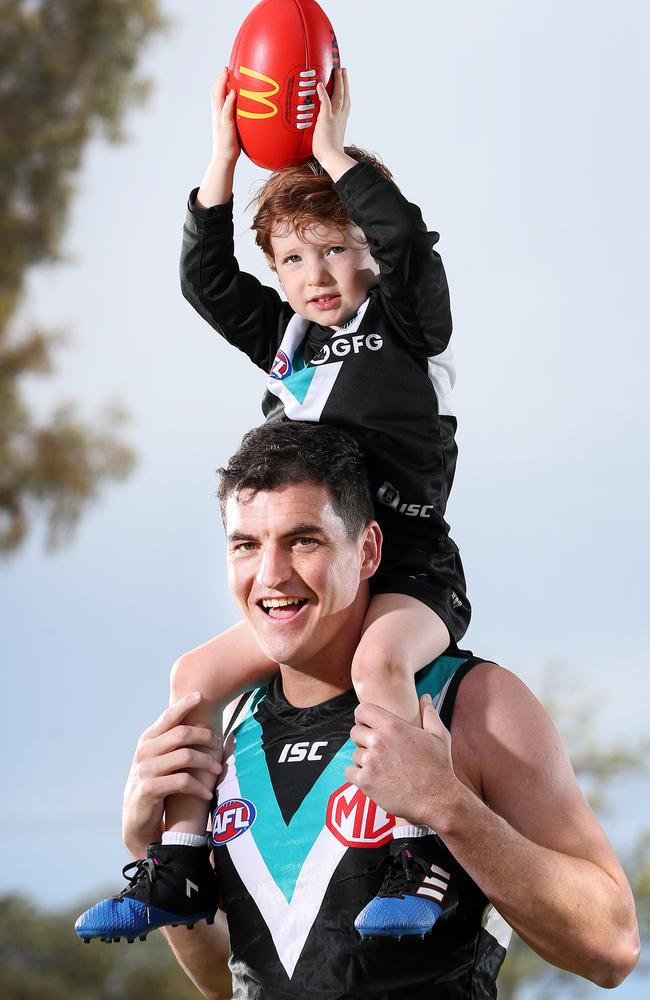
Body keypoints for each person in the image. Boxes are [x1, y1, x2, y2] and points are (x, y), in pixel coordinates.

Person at [76, 65, 472, 941]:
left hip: (407, 569)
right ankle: (180, 865)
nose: (316, 274)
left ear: (366, 249)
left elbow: (409, 243)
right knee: (192, 678)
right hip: (315, 572)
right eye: (293, 259)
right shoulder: (289, 344)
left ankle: (415, 859)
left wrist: (332, 153)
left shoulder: (409, 329)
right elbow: (206, 282)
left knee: (378, 669)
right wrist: (221, 162)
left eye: (336, 249)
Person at [83, 421, 639, 998]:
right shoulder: (228, 726)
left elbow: (612, 946)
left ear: (368, 549)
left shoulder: (471, 702)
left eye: (304, 540)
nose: (271, 576)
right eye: (246, 544)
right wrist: (151, 845)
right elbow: (241, 979)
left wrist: (448, 807)